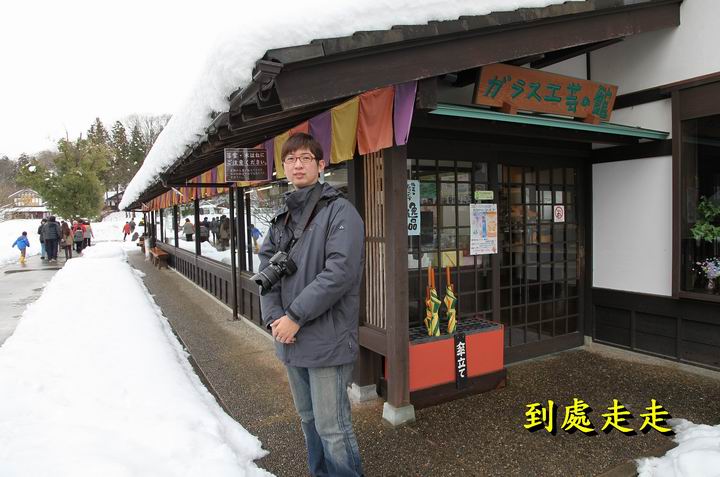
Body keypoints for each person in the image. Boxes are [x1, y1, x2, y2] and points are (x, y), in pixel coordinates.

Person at [259, 133, 365, 476]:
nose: (298, 165)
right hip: (290, 337)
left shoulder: (340, 212)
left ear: (321, 165)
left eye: (305, 158)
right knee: (308, 420)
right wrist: (275, 318)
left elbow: (340, 273)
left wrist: (294, 316)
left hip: (327, 340)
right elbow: (266, 273)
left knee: (333, 428)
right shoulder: (282, 219)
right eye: (291, 159)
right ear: (283, 167)